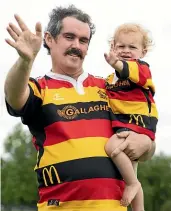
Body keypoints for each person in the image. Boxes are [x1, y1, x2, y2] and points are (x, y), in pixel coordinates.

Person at [4, 5, 154, 211]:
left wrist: (146, 145)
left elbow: (143, 136)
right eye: (69, 37)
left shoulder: (110, 87)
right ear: (49, 39)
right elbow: (14, 97)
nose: (77, 45)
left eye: (83, 40)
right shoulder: (40, 88)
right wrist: (25, 61)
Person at [104, 23, 158, 210]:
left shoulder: (141, 69)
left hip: (139, 122)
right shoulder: (111, 80)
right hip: (124, 124)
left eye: (132, 47)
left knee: (112, 146)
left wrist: (116, 62)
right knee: (132, 172)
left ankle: (133, 184)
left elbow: (130, 72)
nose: (126, 51)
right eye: (121, 46)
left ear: (142, 52)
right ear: (113, 47)